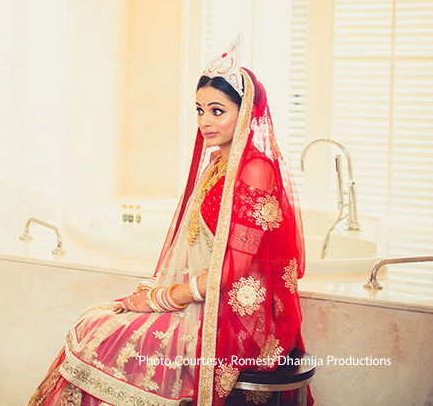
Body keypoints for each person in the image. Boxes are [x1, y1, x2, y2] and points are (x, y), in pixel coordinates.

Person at [28, 37, 310, 406]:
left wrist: (161, 299)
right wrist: (158, 295)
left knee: (101, 333)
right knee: (93, 322)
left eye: (217, 111)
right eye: (199, 110)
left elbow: (235, 270)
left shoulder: (256, 169)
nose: (204, 121)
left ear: (244, 113)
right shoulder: (217, 163)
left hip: (229, 315)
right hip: (201, 297)